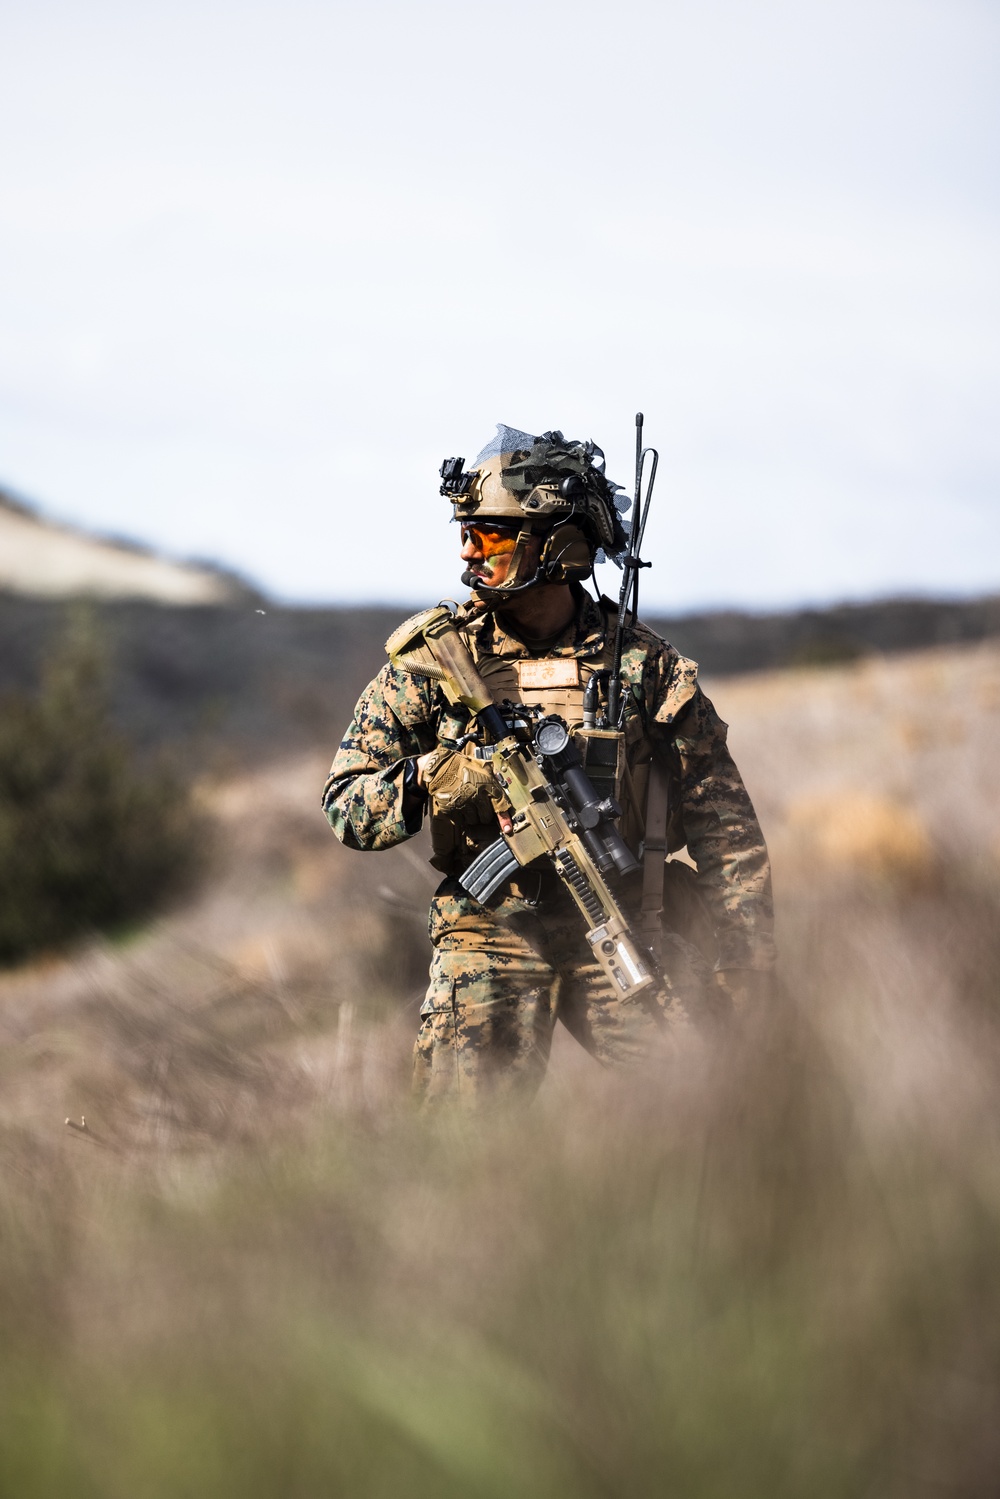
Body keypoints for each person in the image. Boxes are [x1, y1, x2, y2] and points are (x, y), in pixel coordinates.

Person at [323, 424, 775, 1103]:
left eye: (491, 535)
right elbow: (346, 807)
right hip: (490, 932)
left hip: (624, 922)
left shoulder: (644, 668)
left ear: (554, 545)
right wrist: (433, 779)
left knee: (713, 1108)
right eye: (464, 531)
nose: (468, 551)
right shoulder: (436, 662)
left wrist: (747, 968)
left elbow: (728, 835)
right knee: (458, 1146)